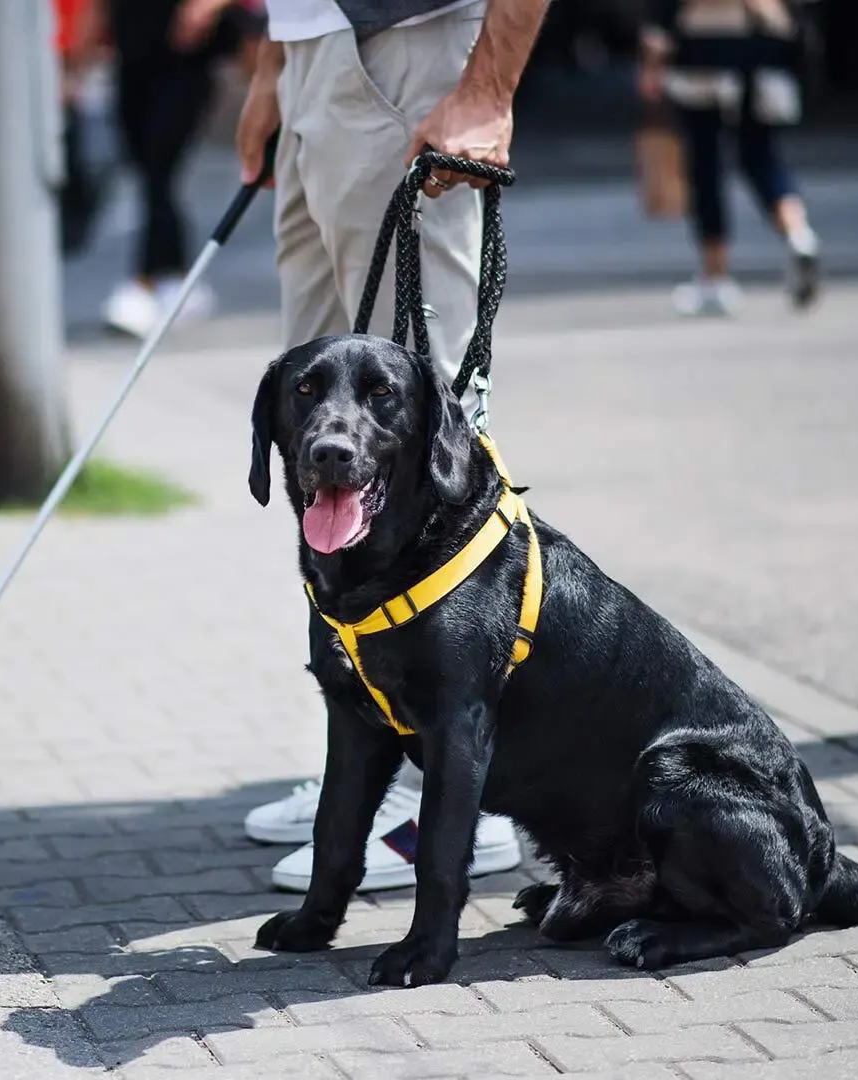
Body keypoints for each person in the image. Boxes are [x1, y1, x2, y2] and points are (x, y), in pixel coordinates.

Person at [233, 0, 554, 893]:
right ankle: (361, 781)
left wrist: (486, 87)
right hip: (317, 61)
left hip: (409, 54)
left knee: (426, 441)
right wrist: (278, 67)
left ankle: (453, 806)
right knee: (324, 438)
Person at [80, 0, 250, 338]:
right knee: (149, 173)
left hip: (185, 58)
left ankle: (143, 282)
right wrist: (79, 59)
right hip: (132, 57)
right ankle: (177, 279)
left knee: (159, 168)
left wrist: (206, 7)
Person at [640, 0, 821, 316]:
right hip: (761, 54)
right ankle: (799, 235)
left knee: (705, 168)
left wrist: (652, 63)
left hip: (704, 56)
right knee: (762, 158)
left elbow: (664, 16)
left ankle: (716, 276)